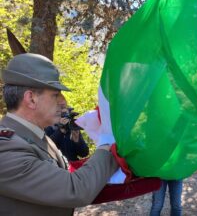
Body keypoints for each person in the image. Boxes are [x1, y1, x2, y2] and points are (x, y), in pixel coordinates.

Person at [0, 53, 119, 216]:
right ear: (31, 99)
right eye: (55, 95)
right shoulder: (5, 148)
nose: (64, 102)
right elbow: (75, 189)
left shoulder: (36, 136)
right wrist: (107, 145)